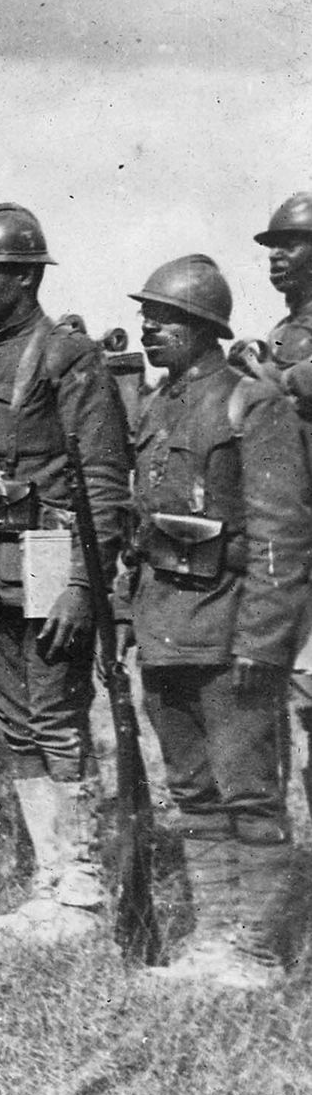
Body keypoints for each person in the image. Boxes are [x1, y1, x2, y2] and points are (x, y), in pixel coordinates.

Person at [0, 204, 130, 941]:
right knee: (15, 720)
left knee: (54, 714)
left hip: (51, 554)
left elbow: (102, 479)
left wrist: (84, 582)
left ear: (24, 277)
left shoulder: (66, 357)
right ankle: (48, 877)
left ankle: (81, 886)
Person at [128, 255, 312, 989]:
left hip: (231, 632)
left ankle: (258, 948)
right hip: (165, 627)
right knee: (193, 791)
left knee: (248, 793)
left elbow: (280, 539)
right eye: (145, 316)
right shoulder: (155, 406)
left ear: (205, 328)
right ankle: (213, 936)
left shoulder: (252, 406)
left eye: (164, 318)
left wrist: (263, 644)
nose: (148, 328)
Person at [246, 194, 312, 834]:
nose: (276, 256)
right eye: (271, 245)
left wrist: (273, 380)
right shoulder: (283, 331)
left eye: (290, 243)